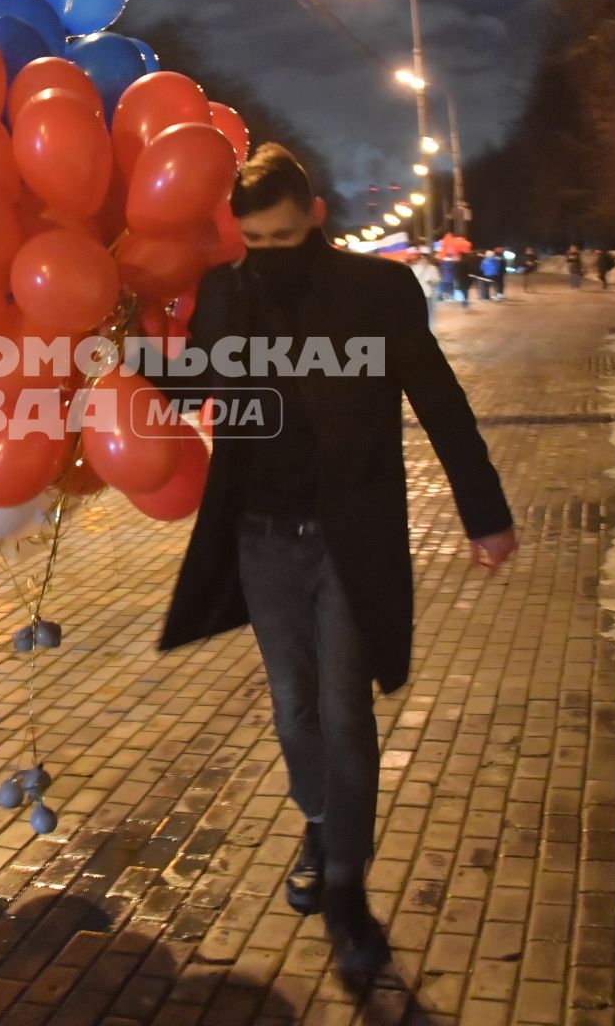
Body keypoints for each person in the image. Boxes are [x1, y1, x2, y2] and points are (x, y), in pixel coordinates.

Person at [159, 144, 517, 979]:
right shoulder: (227, 289)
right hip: (260, 539)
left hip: (352, 536)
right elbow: (193, 390)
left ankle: (350, 898)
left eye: (285, 236)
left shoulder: (377, 292)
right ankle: (319, 822)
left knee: (346, 713)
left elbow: (441, 403)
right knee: (294, 709)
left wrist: (485, 513)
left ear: (314, 215)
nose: (272, 254)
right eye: (256, 241)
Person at [407, 248, 440, 331]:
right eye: (421, 257)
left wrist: (432, 282)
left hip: (427, 295)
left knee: (429, 314)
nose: (423, 259)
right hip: (416, 296)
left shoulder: (432, 268)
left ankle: (429, 330)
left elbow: (437, 280)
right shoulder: (414, 268)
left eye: (425, 257)